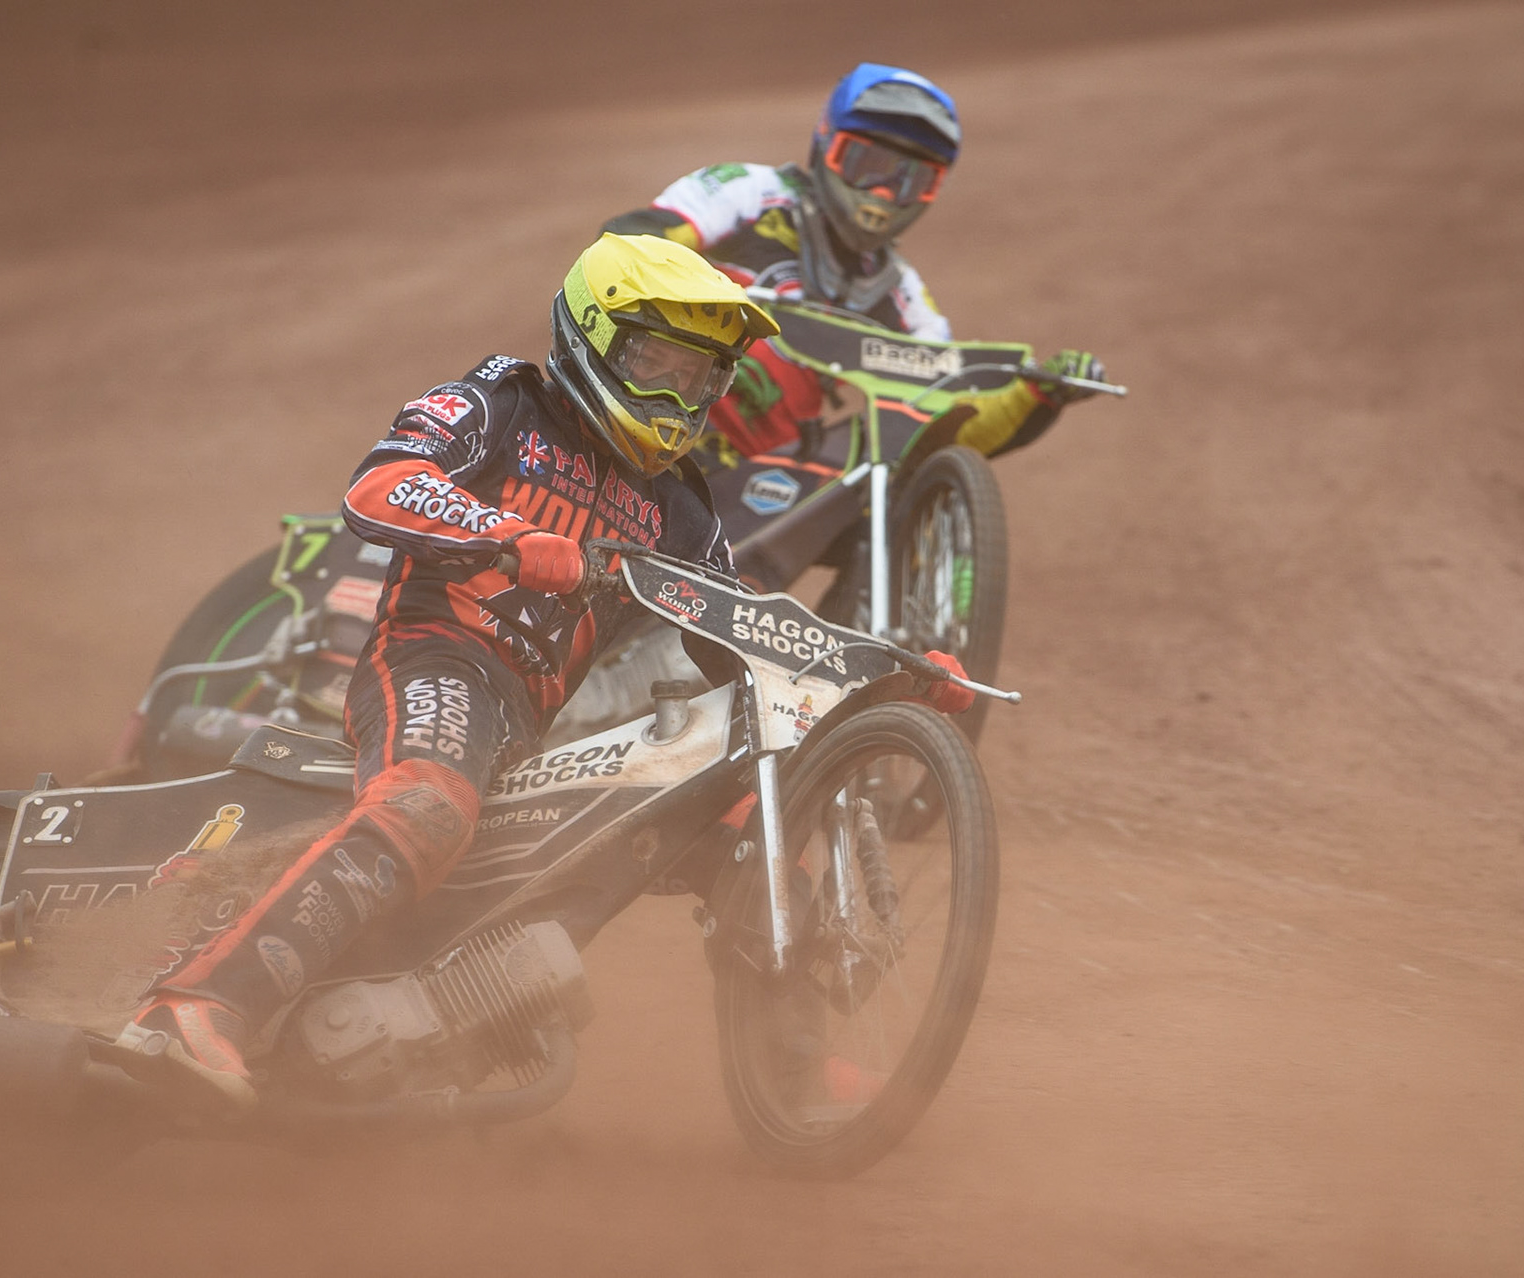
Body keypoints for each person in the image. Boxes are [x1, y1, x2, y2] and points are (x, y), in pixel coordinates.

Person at [130, 233, 977, 1105]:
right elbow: (378, 486)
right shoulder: (501, 404)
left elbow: (745, 634)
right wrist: (510, 539)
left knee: (748, 817)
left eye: (697, 377)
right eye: (655, 364)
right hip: (434, 657)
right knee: (427, 803)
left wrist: (889, 669)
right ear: (593, 337)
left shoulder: (679, 507)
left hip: (532, 727)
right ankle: (199, 1006)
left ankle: (792, 1077)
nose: (675, 395)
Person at [603, 62, 1107, 460]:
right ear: (826, 145)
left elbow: (948, 416)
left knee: (888, 455)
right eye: (869, 165)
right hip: (651, 411)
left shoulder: (900, 293)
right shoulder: (752, 191)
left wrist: (1031, 396)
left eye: (910, 179)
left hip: (765, 477)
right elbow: (636, 241)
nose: (883, 193)